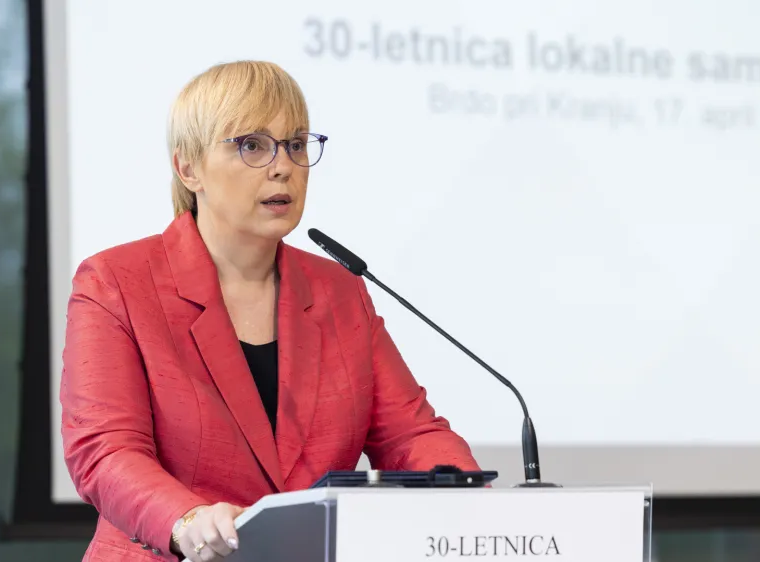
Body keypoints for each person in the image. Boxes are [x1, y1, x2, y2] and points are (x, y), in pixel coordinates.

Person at [59, 60, 480, 562]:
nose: (283, 166)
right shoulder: (117, 282)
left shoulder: (339, 291)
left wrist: (472, 499)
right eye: (252, 145)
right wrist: (187, 521)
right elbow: (105, 450)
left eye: (296, 144)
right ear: (188, 168)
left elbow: (410, 435)